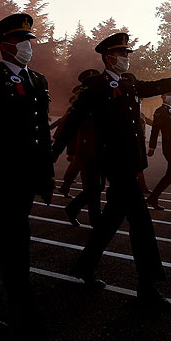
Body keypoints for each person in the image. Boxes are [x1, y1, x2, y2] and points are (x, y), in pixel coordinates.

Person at [52, 31, 171, 310]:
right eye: (121, 54)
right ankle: (147, 288)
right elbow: (73, 121)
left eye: (127, 54)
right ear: (108, 57)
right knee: (142, 224)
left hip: (131, 162)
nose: (126, 58)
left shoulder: (130, 83)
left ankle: (85, 267)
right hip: (115, 164)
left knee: (110, 220)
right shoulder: (96, 86)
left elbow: (158, 84)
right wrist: (53, 153)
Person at [0, 13, 62, 341]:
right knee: (18, 248)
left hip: (27, 177)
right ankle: (29, 329)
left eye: (28, 41)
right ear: (5, 45)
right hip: (0, 176)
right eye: (20, 42)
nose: (26, 47)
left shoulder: (37, 79)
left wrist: (48, 172)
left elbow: (41, 133)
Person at [61, 69, 103, 227]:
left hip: (101, 150)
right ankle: (95, 220)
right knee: (93, 187)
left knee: (97, 187)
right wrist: (71, 152)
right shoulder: (79, 107)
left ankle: (73, 208)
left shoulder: (101, 102)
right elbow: (71, 131)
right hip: (86, 152)